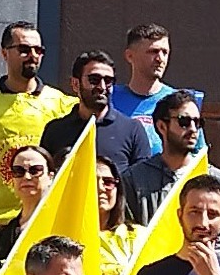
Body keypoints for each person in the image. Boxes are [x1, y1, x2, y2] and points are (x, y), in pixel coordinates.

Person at [0, 21, 78, 247]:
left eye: (38, 50)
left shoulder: (62, 103)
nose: (32, 55)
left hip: (42, 219)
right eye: (23, 49)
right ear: (4, 53)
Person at [40, 49, 155, 180]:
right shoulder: (55, 130)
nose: (102, 87)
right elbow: (44, 181)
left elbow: (142, 183)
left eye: (108, 81)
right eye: (94, 79)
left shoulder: (132, 130)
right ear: (75, 84)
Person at [118, 90, 207, 227]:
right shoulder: (133, 180)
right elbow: (126, 231)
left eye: (198, 122)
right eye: (184, 121)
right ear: (161, 126)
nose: (193, 129)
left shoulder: (213, 178)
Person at [109, 21, 195, 126]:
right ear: (130, 56)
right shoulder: (110, 99)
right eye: (153, 51)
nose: (160, 59)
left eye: (165, 52)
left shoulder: (178, 102)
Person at [0, 143, 54, 266]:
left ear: (50, 177)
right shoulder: (7, 233)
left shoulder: (59, 221)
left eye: (35, 170)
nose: (27, 177)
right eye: (18, 171)